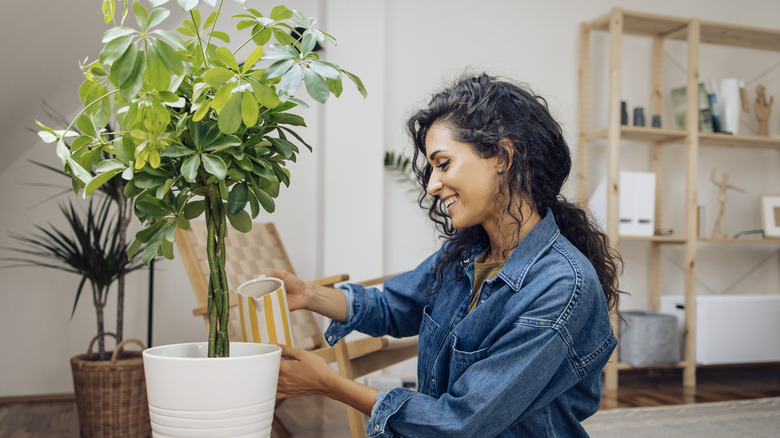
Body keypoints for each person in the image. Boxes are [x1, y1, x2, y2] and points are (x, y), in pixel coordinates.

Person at [267, 73, 623, 437]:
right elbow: (392, 305)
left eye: (443, 163)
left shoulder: (561, 285)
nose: (432, 184)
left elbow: (460, 421)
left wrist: (328, 383)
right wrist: (307, 294)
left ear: (501, 156)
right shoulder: (466, 254)